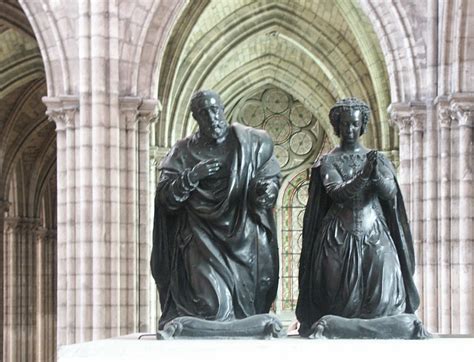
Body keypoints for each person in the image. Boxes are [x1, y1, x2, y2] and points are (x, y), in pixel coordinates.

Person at [151, 90, 281, 330]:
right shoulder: (182, 152)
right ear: (196, 118)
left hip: (244, 237)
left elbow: (269, 174)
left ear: (223, 110)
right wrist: (191, 177)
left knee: (247, 307)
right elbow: (165, 199)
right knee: (213, 308)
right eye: (205, 113)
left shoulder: (250, 143)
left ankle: (246, 331)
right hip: (201, 240)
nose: (213, 118)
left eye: (216, 110)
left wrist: (267, 191)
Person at [296, 97, 421, 338]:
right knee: (337, 301)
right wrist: (365, 174)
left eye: (354, 124)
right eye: (344, 125)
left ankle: (383, 327)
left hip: (374, 231)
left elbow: (390, 193)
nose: (350, 130)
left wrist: (377, 177)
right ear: (337, 126)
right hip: (338, 236)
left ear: (362, 125)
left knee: (384, 297)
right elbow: (337, 193)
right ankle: (337, 327)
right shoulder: (328, 161)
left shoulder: (376, 158)